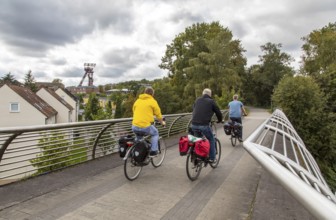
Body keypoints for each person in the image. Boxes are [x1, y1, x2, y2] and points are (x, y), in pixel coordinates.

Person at [191, 88, 223, 163]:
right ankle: (212, 158)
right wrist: (220, 120)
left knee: (198, 140)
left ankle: (196, 156)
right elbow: (218, 112)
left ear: (203, 94)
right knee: (211, 139)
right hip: (204, 125)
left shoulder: (197, 100)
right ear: (210, 94)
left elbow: (194, 110)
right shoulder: (211, 101)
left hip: (194, 124)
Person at [132, 87, 166, 157]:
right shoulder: (152, 101)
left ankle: (137, 155)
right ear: (152, 94)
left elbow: (134, 111)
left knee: (139, 140)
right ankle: (153, 151)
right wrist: (162, 123)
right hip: (145, 126)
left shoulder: (137, 101)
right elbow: (158, 115)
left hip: (134, 126)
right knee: (155, 133)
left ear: (144, 92)